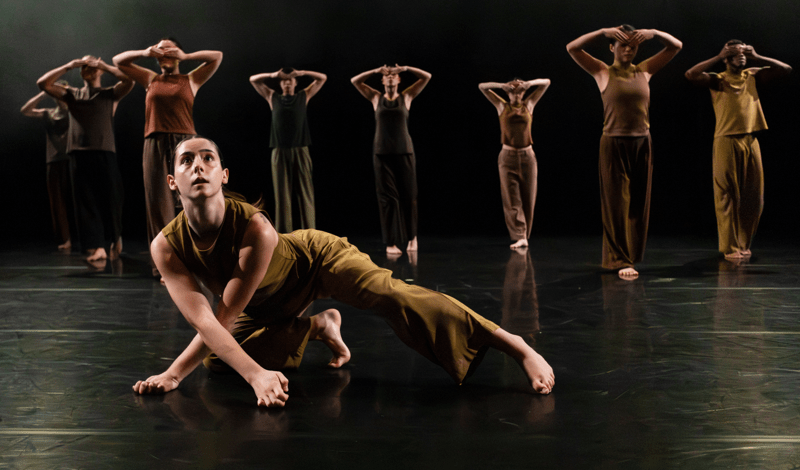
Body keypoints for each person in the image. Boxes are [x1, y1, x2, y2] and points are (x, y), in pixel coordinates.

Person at [132, 136, 554, 407]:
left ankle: (514, 345)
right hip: (262, 302)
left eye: (208, 159)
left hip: (315, 260)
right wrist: (179, 374)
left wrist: (252, 376)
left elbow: (220, 316)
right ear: (172, 181)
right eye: (187, 160)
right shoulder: (166, 246)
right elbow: (203, 320)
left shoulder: (254, 227)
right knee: (218, 364)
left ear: (223, 175)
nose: (198, 166)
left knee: (393, 296)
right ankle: (318, 326)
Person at [566, 25, 682, 279]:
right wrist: (603, 31)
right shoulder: (602, 71)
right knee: (617, 204)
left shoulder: (645, 70)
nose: (628, 49)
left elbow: (676, 46)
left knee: (639, 205)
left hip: (643, 142)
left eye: (633, 45)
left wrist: (654, 32)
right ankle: (619, 259)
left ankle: (631, 256)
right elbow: (572, 48)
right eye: (622, 45)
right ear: (612, 47)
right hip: (613, 143)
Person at [112, 38, 223, 268]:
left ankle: (200, 260)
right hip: (155, 142)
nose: (165, 54)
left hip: (186, 145)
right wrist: (144, 51)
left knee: (193, 202)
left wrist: (185, 56)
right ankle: (166, 266)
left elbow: (217, 56)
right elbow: (118, 61)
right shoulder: (150, 79)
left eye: (169, 49)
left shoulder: (190, 79)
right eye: (161, 50)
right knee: (158, 204)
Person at [685, 41, 791, 259]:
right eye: (736, 53)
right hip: (726, 140)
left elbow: (785, 69)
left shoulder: (751, 75)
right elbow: (691, 74)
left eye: (743, 53)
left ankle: (743, 243)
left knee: (754, 196)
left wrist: (757, 56)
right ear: (726, 57)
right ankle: (730, 248)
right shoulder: (718, 80)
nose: (741, 57)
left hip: (751, 140)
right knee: (727, 195)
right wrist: (718, 55)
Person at [37, 56, 134, 261]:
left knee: (112, 199)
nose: (89, 69)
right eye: (85, 67)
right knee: (86, 202)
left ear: (99, 70)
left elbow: (129, 81)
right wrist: (67, 65)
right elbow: (43, 83)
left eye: (92, 66)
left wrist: (104, 66)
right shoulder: (72, 94)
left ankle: (115, 237)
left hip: (104, 151)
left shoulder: (109, 94)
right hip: (79, 153)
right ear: (80, 72)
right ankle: (97, 246)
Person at [351, 65, 431, 255]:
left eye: (394, 75)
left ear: (399, 80)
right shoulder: (376, 97)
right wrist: (376, 70)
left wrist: (405, 68)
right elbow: (355, 81)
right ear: (382, 80)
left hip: (404, 151)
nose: (390, 77)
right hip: (381, 153)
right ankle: (391, 243)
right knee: (387, 199)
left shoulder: (407, 97)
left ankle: (413, 238)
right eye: (387, 75)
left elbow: (426, 76)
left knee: (409, 196)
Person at [249, 67, 327, 232]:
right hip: (279, 150)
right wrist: (272, 74)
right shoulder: (273, 97)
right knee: (282, 197)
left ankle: (310, 234)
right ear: (280, 83)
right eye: (284, 80)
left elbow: (322, 78)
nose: (287, 82)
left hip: (301, 149)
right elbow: (253, 80)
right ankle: (285, 236)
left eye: (290, 79)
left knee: (306, 194)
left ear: (295, 82)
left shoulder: (303, 96)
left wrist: (301, 72)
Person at [478, 78, 551, 249]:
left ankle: (524, 235)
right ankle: (519, 235)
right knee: (512, 198)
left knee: (528, 197)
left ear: (524, 92)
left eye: (519, 91)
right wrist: (501, 86)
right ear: (507, 92)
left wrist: (529, 84)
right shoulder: (502, 106)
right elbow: (482, 86)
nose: (516, 94)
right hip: (507, 156)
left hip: (528, 157)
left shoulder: (529, 104)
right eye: (512, 91)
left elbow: (546, 82)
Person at [20, 87, 74, 252]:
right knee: (57, 201)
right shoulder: (49, 112)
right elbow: (25, 110)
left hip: (73, 158)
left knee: (80, 200)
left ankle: (90, 239)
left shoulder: (75, 110)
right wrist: (43, 94)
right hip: (54, 160)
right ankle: (65, 239)